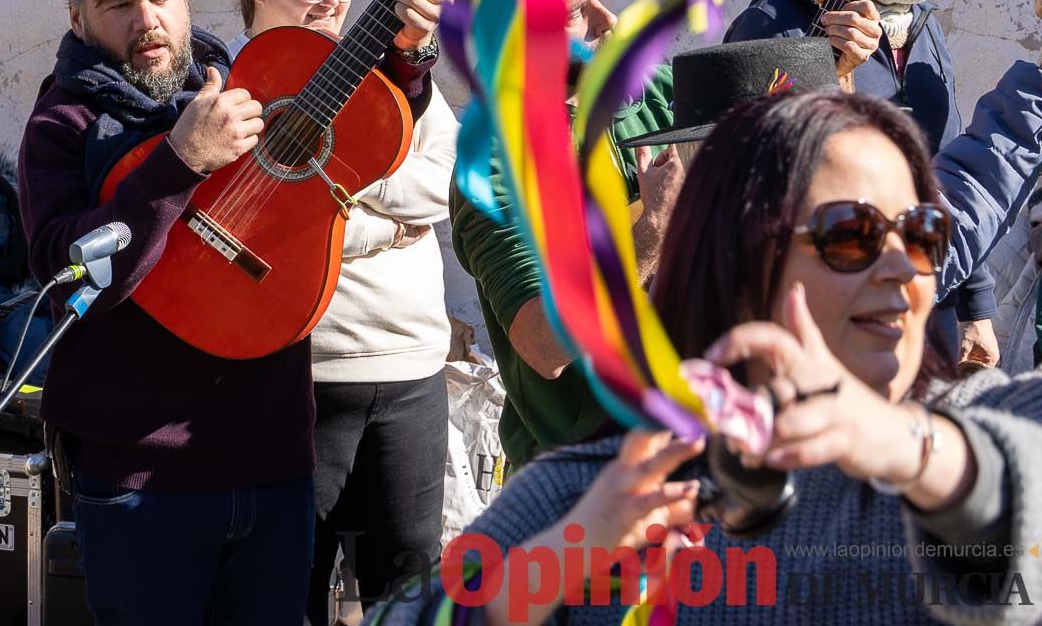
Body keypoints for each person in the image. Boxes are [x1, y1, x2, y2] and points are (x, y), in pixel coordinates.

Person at [367, 84, 1042, 625]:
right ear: (741, 255)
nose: (903, 266)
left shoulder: (965, 432)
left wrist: (916, 452)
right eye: (851, 231)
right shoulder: (602, 487)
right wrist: (563, 559)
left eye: (922, 231)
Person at [16, 0, 441, 625]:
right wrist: (180, 163)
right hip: (141, 479)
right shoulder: (64, 124)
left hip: (272, 462)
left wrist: (407, 50)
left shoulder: (243, 79)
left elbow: (359, 130)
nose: (146, 20)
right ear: (78, 16)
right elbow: (70, 273)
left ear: (187, 1)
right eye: (120, 4)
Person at [226, 0, 459, 623]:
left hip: (411, 363)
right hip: (304, 372)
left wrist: (330, 183)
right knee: (288, 588)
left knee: (408, 590)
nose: (333, 1)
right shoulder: (238, 78)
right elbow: (250, 224)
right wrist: (383, 223)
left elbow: (444, 180)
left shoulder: (392, 70)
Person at [724, 0, 998, 367]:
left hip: (922, 312)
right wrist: (836, 71)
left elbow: (941, 172)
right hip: (824, 330)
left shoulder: (920, 25)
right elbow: (757, 188)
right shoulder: (772, 25)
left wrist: (973, 304)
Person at [449, 0, 682, 470]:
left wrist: (838, 67)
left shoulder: (652, 93)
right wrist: (656, 228)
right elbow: (542, 343)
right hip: (587, 483)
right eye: (577, 12)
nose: (609, 22)